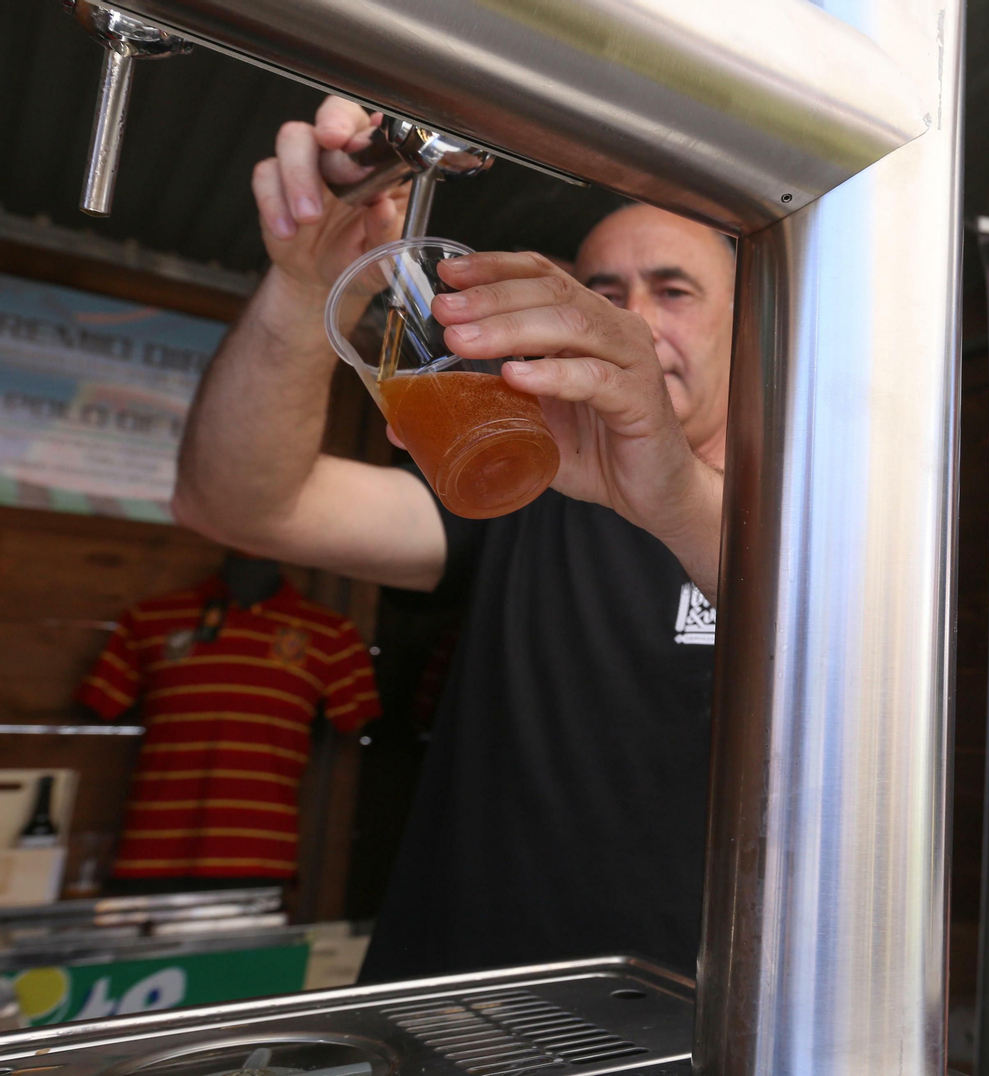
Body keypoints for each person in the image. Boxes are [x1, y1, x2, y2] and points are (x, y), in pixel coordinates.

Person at [173, 96, 733, 979]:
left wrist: (672, 496)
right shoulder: (530, 482)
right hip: (446, 1006)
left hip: (675, 1022)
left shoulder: (806, 522)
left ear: (751, 330)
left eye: (673, 291)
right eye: (605, 294)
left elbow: (856, 661)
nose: (632, 323)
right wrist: (308, 284)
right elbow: (240, 505)